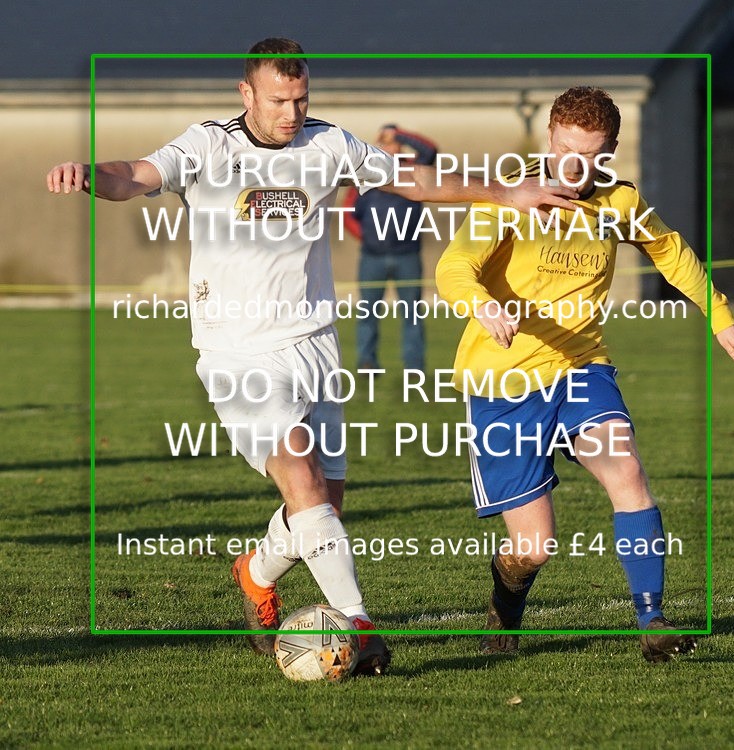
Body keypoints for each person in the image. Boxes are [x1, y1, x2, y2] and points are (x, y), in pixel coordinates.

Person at [47, 38, 579, 675]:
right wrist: (87, 175)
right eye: (278, 101)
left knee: (324, 503)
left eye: (301, 99)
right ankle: (361, 625)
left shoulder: (329, 144)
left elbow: (408, 178)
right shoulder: (208, 146)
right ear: (246, 94)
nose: (291, 112)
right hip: (238, 353)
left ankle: (255, 571)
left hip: (315, 346)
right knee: (302, 482)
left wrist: (501, 193)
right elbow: (134, 175)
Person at [435, 86, 734, 663]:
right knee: (535, 547)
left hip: (582, 368)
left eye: (593, 155)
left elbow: (671, 251)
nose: (577, 169)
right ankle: (505, 607)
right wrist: (481, 303)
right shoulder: (512, 198)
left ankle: (652, 622)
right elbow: (455, 265)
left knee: (627, 470)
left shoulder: (620, 201)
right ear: (549, 140)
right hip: (504, 383)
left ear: (611, 150)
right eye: (567, 152)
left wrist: (719, 317)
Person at [342, 125, 437, 371]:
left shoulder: (413, 170)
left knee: (412, 314)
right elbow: (348, 215)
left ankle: (414, 365)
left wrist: (399, 133)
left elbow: (430, 149)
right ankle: (367, 362)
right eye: (384, 142)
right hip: (372, 257)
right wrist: (368, 238)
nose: (390, 146)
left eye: (393, 142)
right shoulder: (366, 174)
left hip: (408, 256)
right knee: (368, 313)